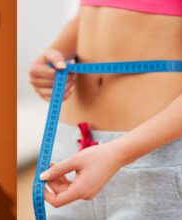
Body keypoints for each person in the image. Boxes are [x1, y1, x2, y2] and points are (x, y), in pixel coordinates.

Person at [29, 1, 182, 219]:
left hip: (152, 157)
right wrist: (55, 55)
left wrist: (118, 153)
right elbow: (94, 10)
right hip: (69, 147)